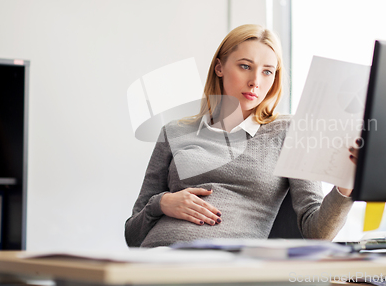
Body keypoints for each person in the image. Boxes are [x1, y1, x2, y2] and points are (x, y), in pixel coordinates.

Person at [125, 24, 358, 248]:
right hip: (155, 257)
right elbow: (132, 235)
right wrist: (162, 203)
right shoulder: (174, 131)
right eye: (245, 66)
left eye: (267, 71)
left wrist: (345, 184)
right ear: (219, 68)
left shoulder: (290, 131)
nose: (255, 81)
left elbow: (317, 233)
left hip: (225, 266)